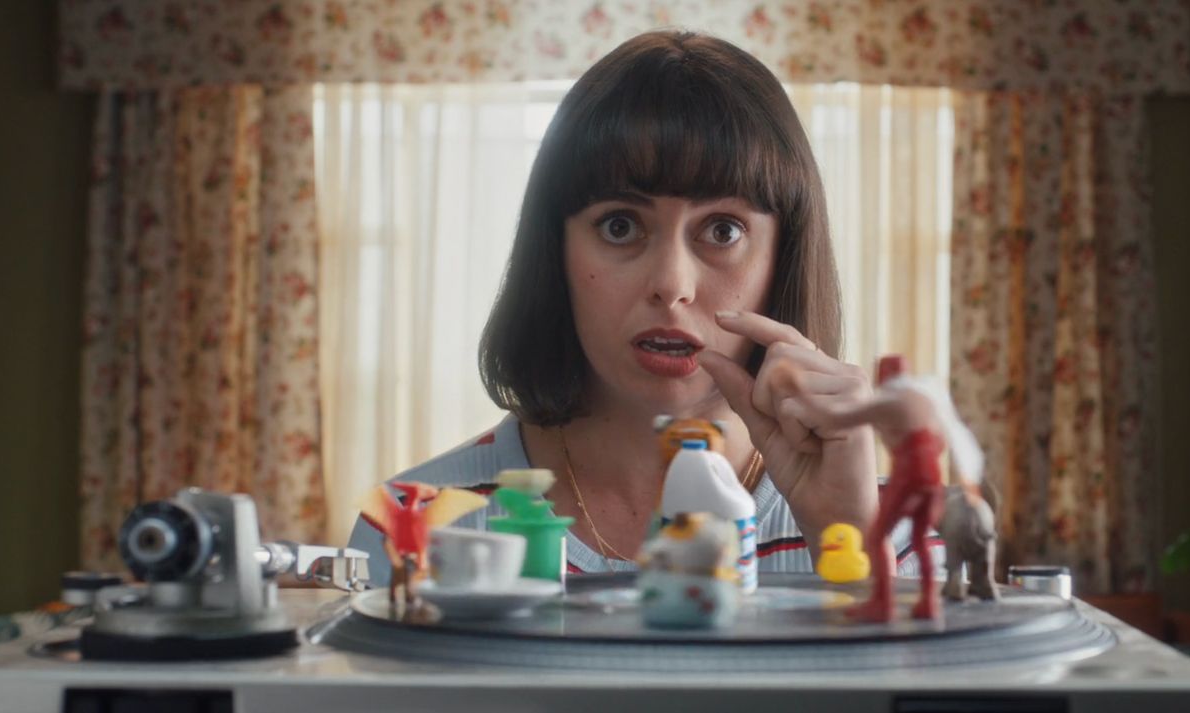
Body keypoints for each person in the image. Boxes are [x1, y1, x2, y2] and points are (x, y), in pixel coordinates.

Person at [347, 30, 940, 584]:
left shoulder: (897, 538)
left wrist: (850, 538)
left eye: (724, 231)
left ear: (781, 261)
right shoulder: (411, 525)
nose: (670, 284)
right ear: (554, 252)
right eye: (621, 225)